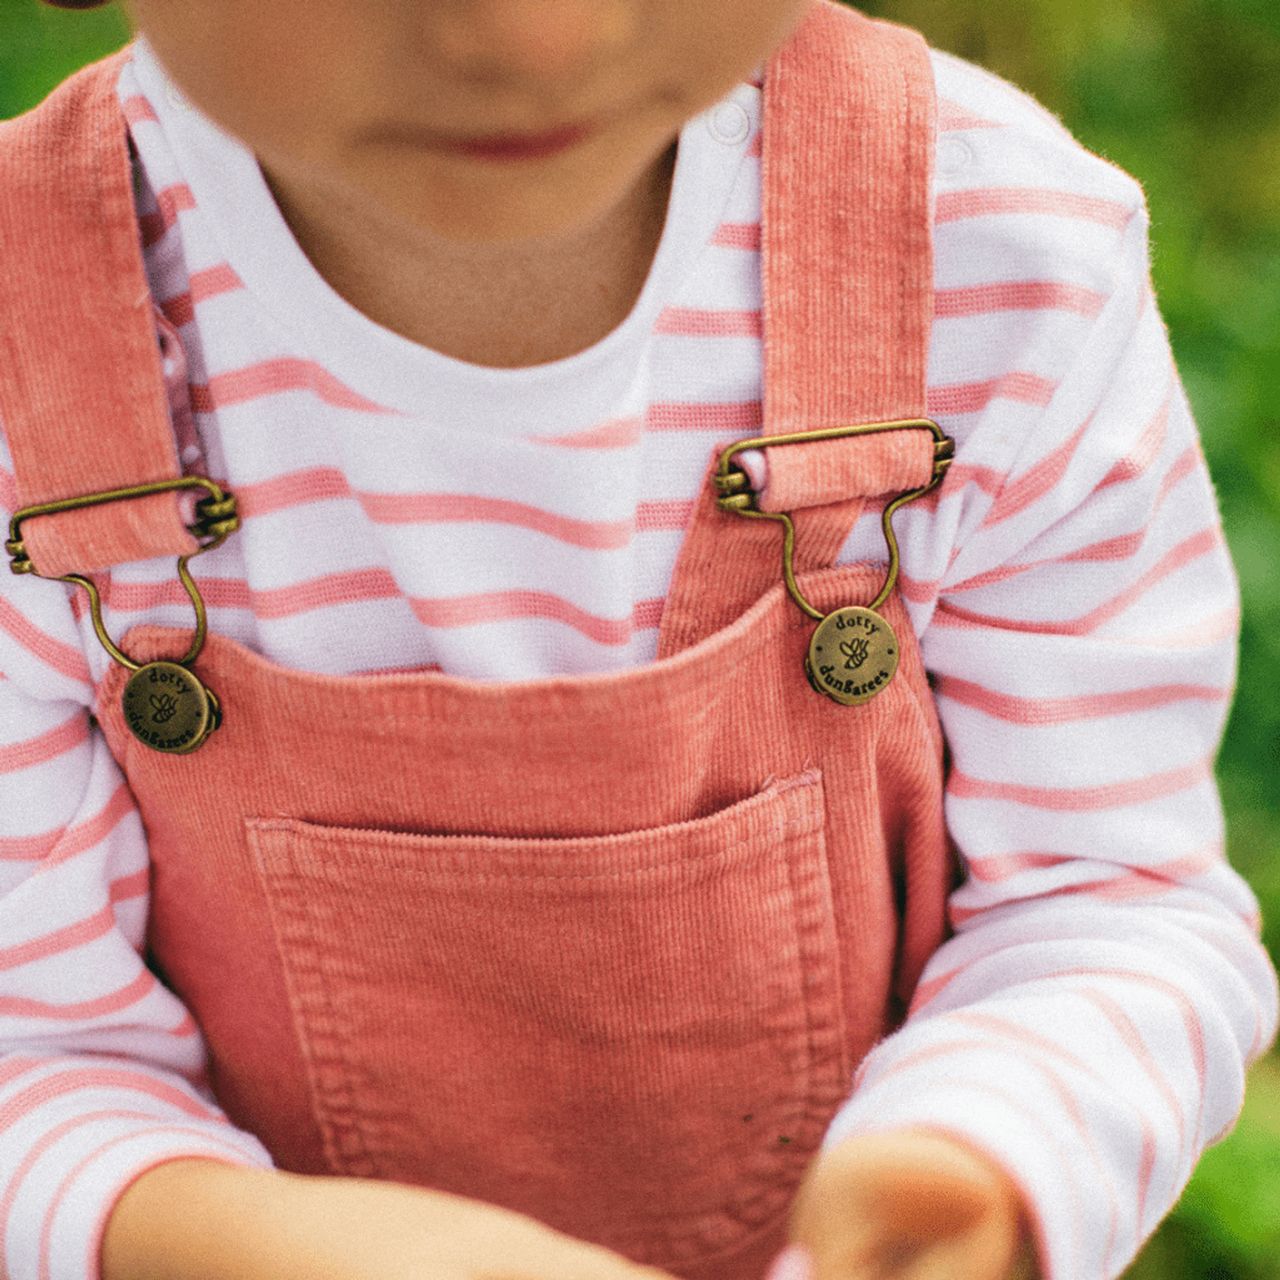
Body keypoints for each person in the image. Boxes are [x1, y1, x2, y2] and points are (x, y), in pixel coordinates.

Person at [0, 2, 1274, 1280]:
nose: (532, 36)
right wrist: (223, 1242)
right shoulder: (25, 351)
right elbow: (29, 1051)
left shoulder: (990, 263)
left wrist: (984, 1155)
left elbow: (1101, 900)